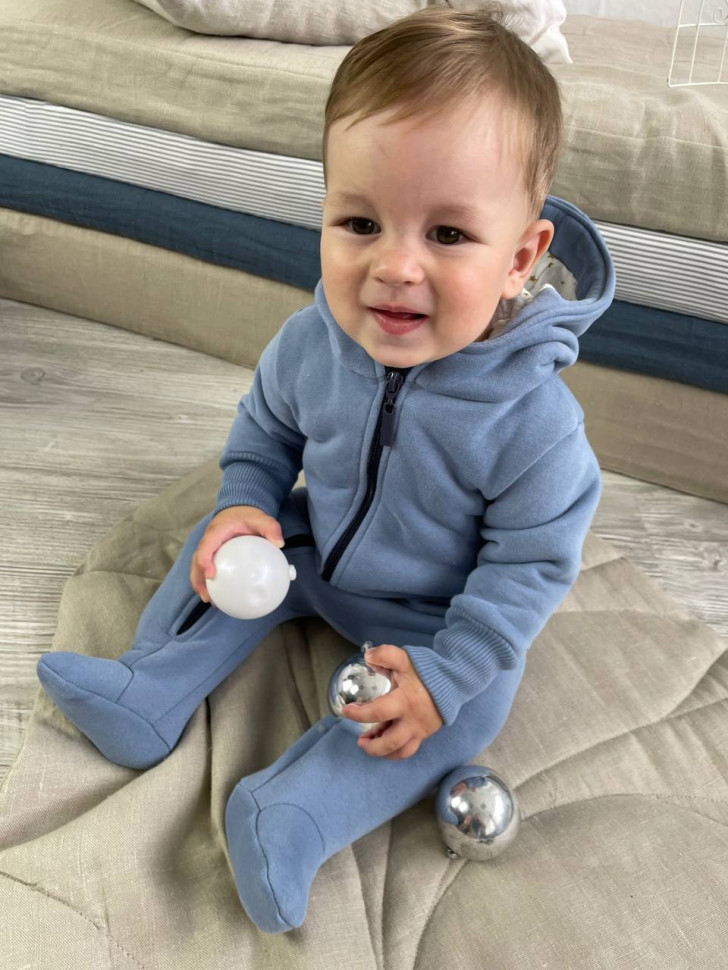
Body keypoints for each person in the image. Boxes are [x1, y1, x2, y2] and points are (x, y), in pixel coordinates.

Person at [37, 2, 615, 935]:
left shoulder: (534, 423)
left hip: (437, 616)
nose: (395, 265)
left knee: (469, 711)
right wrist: (247, 505)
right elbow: (265, 433)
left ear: (520, 258)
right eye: (361, 221)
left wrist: (447, 674)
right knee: (223, 540)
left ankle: (293, 813)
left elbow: (531, 565)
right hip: (320, 551)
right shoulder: (314, 342)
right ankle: (149, 690)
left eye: (447, 236)